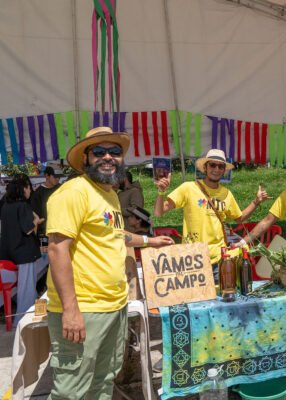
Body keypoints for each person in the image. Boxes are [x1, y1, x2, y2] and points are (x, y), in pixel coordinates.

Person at [45, 127, 174, 399]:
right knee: (71, 391)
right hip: (85, 308)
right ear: (85, 159)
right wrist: (70, 310)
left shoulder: (109, 194)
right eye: (99, 152)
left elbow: (116, 234)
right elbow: (57, 250)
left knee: (103, 381)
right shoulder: (73, 193)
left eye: (114, 152)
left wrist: (149, 241)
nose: (107, 157)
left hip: (114, 306)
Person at [154, 148, 268, 273]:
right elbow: (159, 212)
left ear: (224, 170)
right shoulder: (188, 188)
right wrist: (161, 192)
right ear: (205, 167)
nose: (216, 169)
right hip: (193, 257)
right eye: (212, 165)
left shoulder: (226, 194)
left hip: (218, 259)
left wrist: (256, 202)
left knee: (218, 292)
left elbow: (239, 218)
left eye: (220, 166)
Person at [0, 174, 44, 325]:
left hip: (7, 254)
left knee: (18, 289)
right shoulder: (23, 206)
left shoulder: (6, 205)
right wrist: (36, 221)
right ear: (24, 188)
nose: (30, 191)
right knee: (27, 289)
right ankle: (25, 321)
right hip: (24, 253)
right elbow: (28, 230)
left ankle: (21, 318)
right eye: (29, 188)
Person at [30, 166, 61, 236]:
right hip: (45, 231)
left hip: (61, 229)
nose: (57, 179)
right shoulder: (38, 193)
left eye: (59, 177)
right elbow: (35, 215)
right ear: (47, 176)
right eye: (55, 177)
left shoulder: (62, 189)